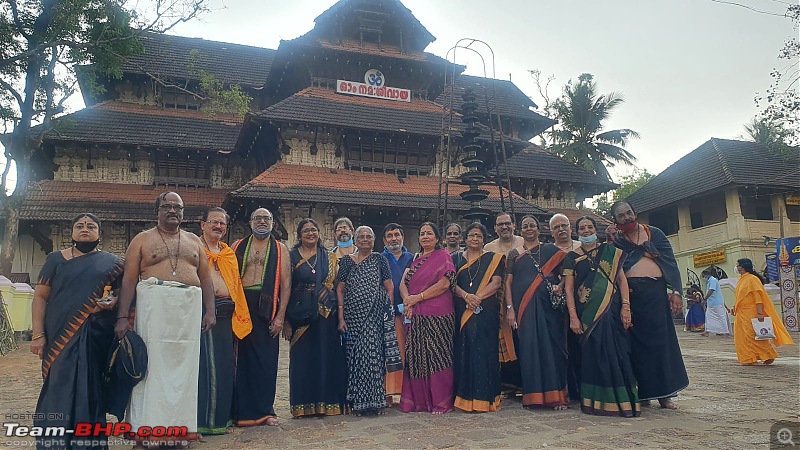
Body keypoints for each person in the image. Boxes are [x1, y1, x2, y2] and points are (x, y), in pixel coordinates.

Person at [115, 192, 216, 444]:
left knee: (185, 372)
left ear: (183, 212)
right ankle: (147, 430)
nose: (173, 211)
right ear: (157, 211)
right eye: (167, 206)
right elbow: (128, 280)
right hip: (154, 310)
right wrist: (123, 316)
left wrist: (210, 310)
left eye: (178, 207)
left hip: (188, 312)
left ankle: (180, 430)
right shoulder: (142, 240)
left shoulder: (194, 241)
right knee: (152, 369)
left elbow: (205, 278)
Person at [31, 213, 125, 450]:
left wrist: (113, 301)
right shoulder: (55, 260)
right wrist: (38, 334)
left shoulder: (112, 263)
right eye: (80, 226)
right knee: (58, 384)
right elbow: (41, 297)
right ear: (72, 232)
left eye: (91, 226)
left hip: (95, 335)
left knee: (91, 385)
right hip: (60, 333)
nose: (85, 229)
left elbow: (121, 292)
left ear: (98, 233)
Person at [610, 201, 689, 410]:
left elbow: (670, 262)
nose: (627, 217)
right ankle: (643, 394)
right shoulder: (617, 242)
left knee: (662, 343)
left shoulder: (655, 234)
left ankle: (666, 395)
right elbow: (614, 266)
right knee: (635, 347)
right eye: (621, 216)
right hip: (631, 297)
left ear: (635, 212)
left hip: (656, 295)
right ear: (616, 221)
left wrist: (676, 292)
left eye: (629, 212)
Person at [564, 216, 640, 417]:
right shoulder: (571, 257)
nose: (586, 230)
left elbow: (622, 281)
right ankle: (596, 402)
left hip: (612, 311)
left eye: (590, 227)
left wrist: (626, 307)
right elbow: (569, 289)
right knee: (592, 357)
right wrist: (573, 316)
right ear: (576, 232)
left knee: (618, 353)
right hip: (586, 316)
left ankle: (622, 401)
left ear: (595, 230)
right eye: (582, 228)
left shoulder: (611, 253)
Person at [232, 208, 290, 426]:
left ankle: (266, 411)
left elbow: (286, 284)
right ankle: (241, 412)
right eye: (258, 218)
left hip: (267, 308)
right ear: (250, 222)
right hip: (242, 306)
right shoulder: (237, 246)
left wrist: (280, 316)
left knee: (266, 361)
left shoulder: (280, 249)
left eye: (267, 219)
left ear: (273, 223)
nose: (262, 222)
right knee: (241, 360)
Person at [505, 215, 569, 410]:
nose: (529, 229)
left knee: (553, 349)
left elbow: (567, 274)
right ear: (520, 230)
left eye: (532, 225)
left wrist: (560, 285)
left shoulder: (551, 250)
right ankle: (532, 397)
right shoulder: (514, 255)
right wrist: (510, 309)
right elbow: (508, 283)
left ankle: (557, 397)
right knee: (529, 349)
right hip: (523, 309)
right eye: (525, 226)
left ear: (539, 229)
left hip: (549, 309)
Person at [197, 207, 252, 435]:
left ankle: (222, 420)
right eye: (214, 222)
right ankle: (200, 422)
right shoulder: (194, 248)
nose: (218, 226)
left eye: (222, 223)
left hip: (228, 313)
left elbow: (235, 284)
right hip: (201, 312)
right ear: (203, 224)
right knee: (203, 368)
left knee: (225, 367)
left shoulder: (228, 252)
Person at [285, 218, 348, 417]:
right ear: (299, 235)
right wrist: (285, 320)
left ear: (319, 233)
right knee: (303, 361)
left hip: (326, 316)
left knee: (326, 359)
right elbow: (285, 289)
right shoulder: (291, 257)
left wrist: (341, 317)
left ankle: (328, 404)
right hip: (301, 317)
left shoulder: (329, 257)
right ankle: (303, 407)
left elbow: (338, 287)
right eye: (306, 231)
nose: (310, 233)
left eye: (314, 230)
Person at [337, 225, 400, 416]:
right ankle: (357, 402)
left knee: (374, 357)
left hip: (374, 318)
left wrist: (386, 312)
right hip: (352, 318)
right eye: (361, 236)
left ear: (374, 241)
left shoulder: (380, 260)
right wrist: (340, 317)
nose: (365, 239)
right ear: (355, 241)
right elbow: (340, 289)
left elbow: (389, 287)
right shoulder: (347, 262)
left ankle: (376, 402)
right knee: (355, 359)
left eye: (369, 236)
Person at [399, 222, 456, 414]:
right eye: (422, 233)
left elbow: (444, 284)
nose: (425, 236)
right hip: (416, 315)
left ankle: (440, 402)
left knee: (437, 356)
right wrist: (408, 301)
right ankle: (420, 401)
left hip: (438, 315)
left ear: (438, 238)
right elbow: (402, 284)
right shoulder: (415, 259)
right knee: (417, 357)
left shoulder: (443, 257)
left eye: (429, 233)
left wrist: (418, 298)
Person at [451, 222, 505, 412]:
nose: (475, 239)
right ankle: (463, 398)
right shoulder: (455, 258)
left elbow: (497, 282)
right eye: (472, 235)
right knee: (463, 352)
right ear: (465, 238)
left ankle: (486, 398)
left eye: (479, 236)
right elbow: (450, 284)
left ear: (484, 240)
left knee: (485, 353)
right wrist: (466, 296)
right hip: (461, 310)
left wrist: (477, 298)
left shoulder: (494, 259)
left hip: (485, 311)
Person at [731, 258, 794, 365]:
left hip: (752, 312)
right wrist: (734, 307)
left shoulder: (752, 279)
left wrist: (760, 313)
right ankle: (749, 358)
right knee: (742, 337)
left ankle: (767, 355)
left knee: (752, 335)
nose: (736, 267)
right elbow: (740, 297)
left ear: (742, 266)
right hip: (741, 313)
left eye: (737, 265)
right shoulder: (741, 279)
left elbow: (758, 297)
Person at [382, 223, 414, 401]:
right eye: (390, 235)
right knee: (391, 354)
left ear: (402, 237)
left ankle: (407, 394)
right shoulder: (379, 259)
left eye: (397, 235)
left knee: (408, 354)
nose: (394, 238)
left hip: (411, 312)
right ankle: (387, 392)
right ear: (384, 240)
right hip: (389, 315)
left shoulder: (412, 258)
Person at [701, 270, 731, 336]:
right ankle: (708, 331)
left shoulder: (713, 280)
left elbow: (711, 290)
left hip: (716, 303)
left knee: (721, 317)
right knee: (708, 317)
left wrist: (704, 299)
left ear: (706, 275)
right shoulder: (709, 281)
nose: (704, 278)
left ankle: (726, 331)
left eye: (703, 276)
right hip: (711, 303)